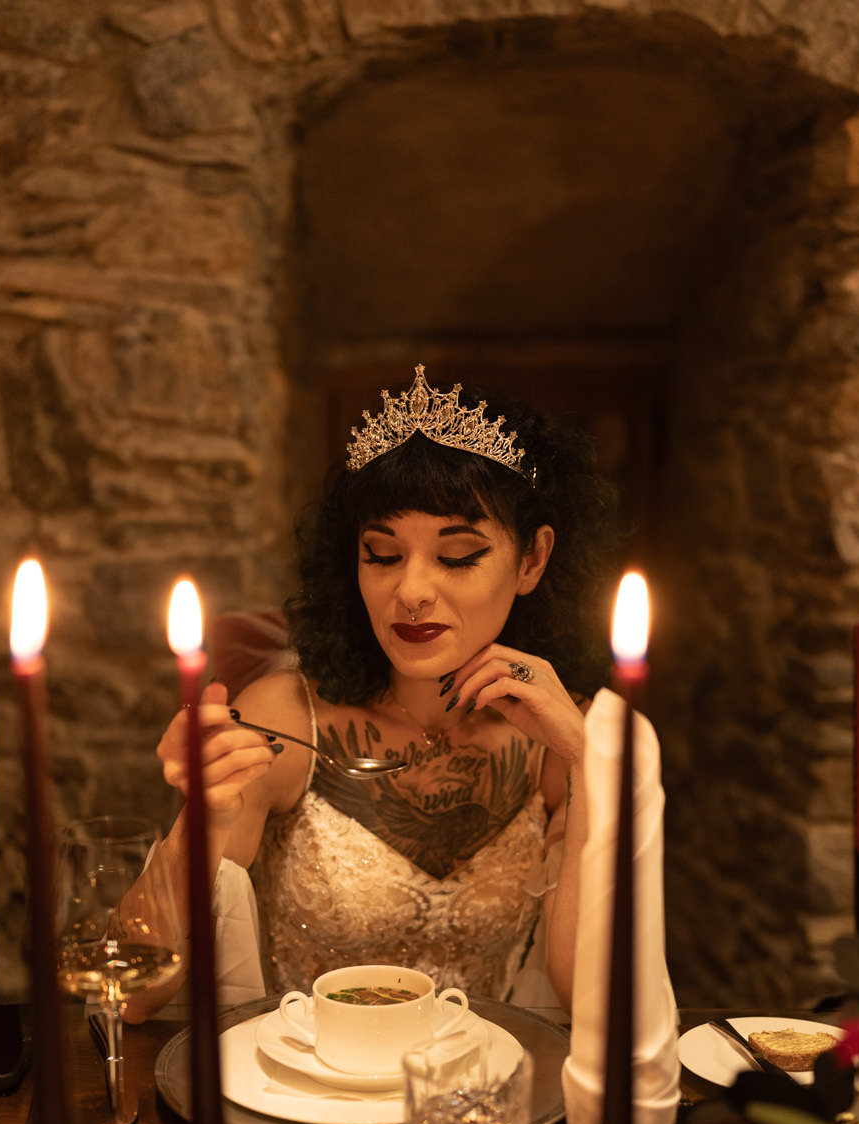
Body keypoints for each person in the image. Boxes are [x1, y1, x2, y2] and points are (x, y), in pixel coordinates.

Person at [129, 366, 622, 1022]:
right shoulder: (283, 719)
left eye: (456, 556)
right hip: (307, 1096)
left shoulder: (559, 741)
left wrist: (592, 766)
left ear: (531, 560)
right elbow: (132, 995)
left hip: (483, 1099)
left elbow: (591, 1003)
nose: (411, 591)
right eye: (383, 555)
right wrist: (202, 822)